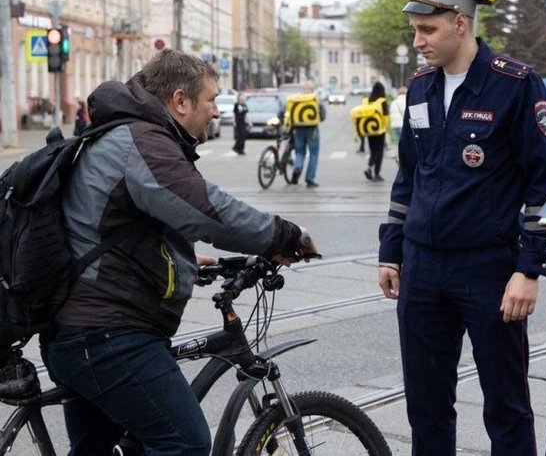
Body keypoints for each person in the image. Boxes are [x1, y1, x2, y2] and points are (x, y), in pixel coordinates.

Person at [42, 49, 319, 455]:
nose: (216, 111)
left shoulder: (130, 133)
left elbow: (120, 226)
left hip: (82, 329)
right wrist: (284, 235)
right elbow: (206, 211)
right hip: (107, 334)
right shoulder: (143, 140)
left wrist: (185, 260)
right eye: (211, 99)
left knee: (105, 448)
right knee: (184, 442)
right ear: (180, 100)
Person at [377, 0, 546, 455]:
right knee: (426, 406)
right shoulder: (420, 86)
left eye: (428, 29)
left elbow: (543, 184)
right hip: (422, 267)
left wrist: (529, 269)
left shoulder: (515, 84)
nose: (418, 40)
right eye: (414, 29)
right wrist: (390, 251)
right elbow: (408, 175)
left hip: (489, 269)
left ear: (461, 23)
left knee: (506, 405)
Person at [291, 81, 326, 188]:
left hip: (298, 128)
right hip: (312, 129)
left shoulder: (296, 99)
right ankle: (310, 179)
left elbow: (286, 109)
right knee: (313, 154)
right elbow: (323, 114)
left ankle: (297, 167)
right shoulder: (315, 99)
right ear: (312, 89)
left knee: (300, 152)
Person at [364, 81, 389, 182]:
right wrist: (386, 128)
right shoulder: (382, 101)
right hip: (380, 130)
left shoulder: (368, 100)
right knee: (379, 152)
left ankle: (369, 168)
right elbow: (386, 117)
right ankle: (377, 173)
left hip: (369, 130)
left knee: (373, 151)